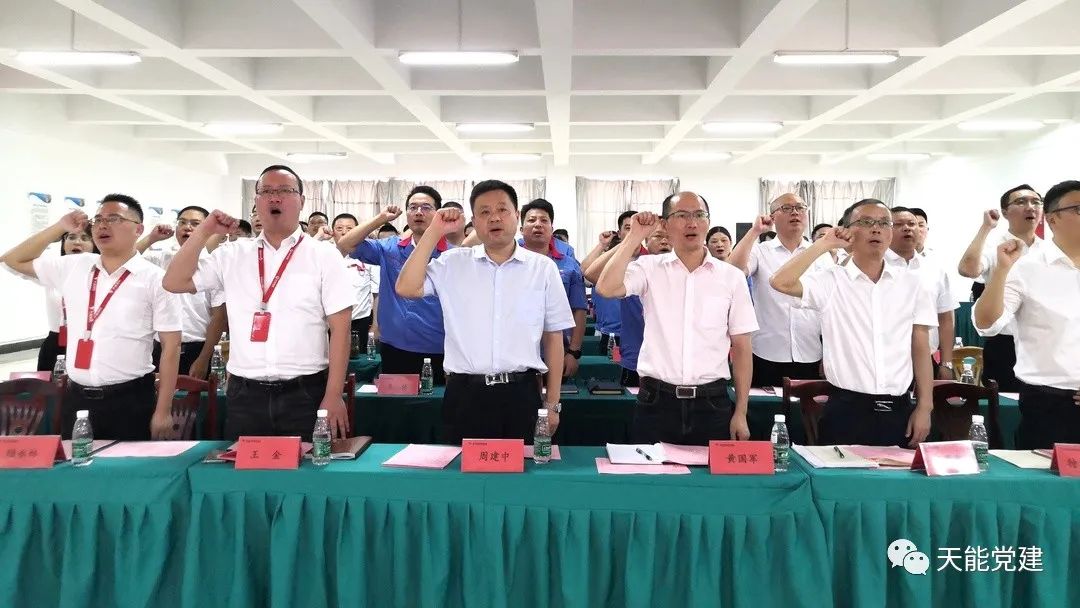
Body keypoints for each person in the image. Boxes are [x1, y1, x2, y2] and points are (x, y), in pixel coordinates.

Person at [162, 165, 355, 440]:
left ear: (301, 201)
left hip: (305, 392)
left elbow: (341, 329)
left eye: (285, 191)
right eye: (266, 191)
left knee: (305, 466)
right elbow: (174, 282)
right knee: (244, 466)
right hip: (245, 394)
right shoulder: (232, 254)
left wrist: (333, 395)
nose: (275, 198)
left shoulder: (324, 255)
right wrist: (204, 231)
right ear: (256, 201)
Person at [396, 180, 573, 442]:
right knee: (464, 468)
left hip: (521, 394)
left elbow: (554, 338)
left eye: (502, 210)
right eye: (484, 212)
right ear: (474, 222)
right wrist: (435, 231)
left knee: (523, 467)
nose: (494, 218)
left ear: (516, 216)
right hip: (465, 395)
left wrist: (553, 404)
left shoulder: (542, 268)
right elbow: (406, 287)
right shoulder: (453, 263)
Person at [1, 195, 183, 440]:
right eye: (98, 219)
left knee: (127, 464)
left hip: (130, 399)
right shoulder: (74, 266)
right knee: (75, 463)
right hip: (77, 399)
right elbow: (12, 260)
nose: (102, 225)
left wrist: (163, 410)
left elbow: (171, 346)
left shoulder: (156, 279)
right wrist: (59, 227)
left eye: (114, 219)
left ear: (138, 229)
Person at [770, 199, 936, 448]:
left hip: (899, 408)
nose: (876, 229)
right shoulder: (830, 281)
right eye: (866, 222)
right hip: (846, 409)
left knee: (900, 473)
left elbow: (920, 347)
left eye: (884, 223)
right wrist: (823, 244)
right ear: (847, 231)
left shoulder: (913, 283)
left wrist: (924, 406)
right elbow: (780, 282)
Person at [596, 192, 757, 445]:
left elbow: (742, 347)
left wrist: (741, 411)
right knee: (649, 471)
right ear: (665, 224)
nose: (692, 223)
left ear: (708, 221)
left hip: (712, 403)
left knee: (710, 472)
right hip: (656, 402)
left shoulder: (731, 277)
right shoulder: (649, 268)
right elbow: (606, 288)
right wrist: (634, 236)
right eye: (682, 215)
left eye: (699, 215)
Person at [974, 180, 1080, 448]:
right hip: (1050, 405)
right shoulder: (1026, 267)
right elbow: (986, 324)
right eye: (1079, 209)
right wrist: (1001, 270)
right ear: (1052, 219)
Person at [334, 186, 450, 383]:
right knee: (395, 401)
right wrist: (380, 219)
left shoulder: (451, 254)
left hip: (439, 348)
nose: (418, 212)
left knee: (435, 400)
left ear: (438, 213)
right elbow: (345, 245)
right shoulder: (390, 247)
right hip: (395, 347)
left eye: (426, 207)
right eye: (412, 207)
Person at [729, 193, 832, 387]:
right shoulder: (761, 251)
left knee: (806, 407)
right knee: (765, 405)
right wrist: (754, 232)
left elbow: (830, 306)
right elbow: (732, 272)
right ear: (773, 217)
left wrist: (829, 352)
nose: (795, 212)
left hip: (811, 351)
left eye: (800, 208)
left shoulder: (821, 255)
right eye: (787, 208)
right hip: (766, 352)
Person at [958, 184, 1044, 392]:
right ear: (1005, 212)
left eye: (1036, 202)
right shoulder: (994, 247)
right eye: (1021, 202)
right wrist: (986, 227)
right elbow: (967, 269)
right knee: (1005, 404)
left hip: (1043, 343)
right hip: (1004, 344)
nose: (1030, 207)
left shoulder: (1049, 250)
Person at [136, 206, 227, 379]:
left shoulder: (212, 265)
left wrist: (203, 359)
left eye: (195, 223)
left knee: (194, 396)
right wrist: (151, 238)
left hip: (196, 349)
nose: (187, 227)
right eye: (182, 222)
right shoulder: (164, 258)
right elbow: (127, 258)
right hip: (160, 347)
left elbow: (219, 318)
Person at [585, 216, 674, 387]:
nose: (664, 241)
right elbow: (591, 274)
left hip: (672, 364)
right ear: (645, 241)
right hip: (636, 360)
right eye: (658, 236)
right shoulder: (636, 269)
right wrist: (629, 241)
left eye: (669, 237)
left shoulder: (686, 274)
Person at [519, 198, 587, 376]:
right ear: (521, 229)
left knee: (554, 394)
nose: (538, 225)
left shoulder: (569, 265)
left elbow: (579, 310)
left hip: (556, 351)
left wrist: (574, 352)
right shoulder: (507, 261)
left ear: (551, 228)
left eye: (544, 220)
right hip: (515, 353)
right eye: (531, 220)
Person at [887, 207, 957, 380]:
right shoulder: (874, 267)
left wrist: (947, 363)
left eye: (912, 224)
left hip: (926, 359)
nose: (907, 228)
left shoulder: (934, 270)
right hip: (884, 359)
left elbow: (945, 318)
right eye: (898, 224)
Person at [30, 225, 97, 372]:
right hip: (56, 342)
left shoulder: (104, 272)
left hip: (91, 341)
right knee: (50, 386)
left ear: (95, 244)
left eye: (85, 238)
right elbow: (10, 261)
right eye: (71, 237)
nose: (77, 242)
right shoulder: (53, 268)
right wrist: (50, 236)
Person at [332, 212, 376, 339]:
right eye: (339, 228)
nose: (344, 232)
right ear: (332, 232)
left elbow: (377, 293)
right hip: (329, 322)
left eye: (349, 229)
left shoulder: (369, 256)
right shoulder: (325, 254)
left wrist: (375, 325)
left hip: (360, 321)